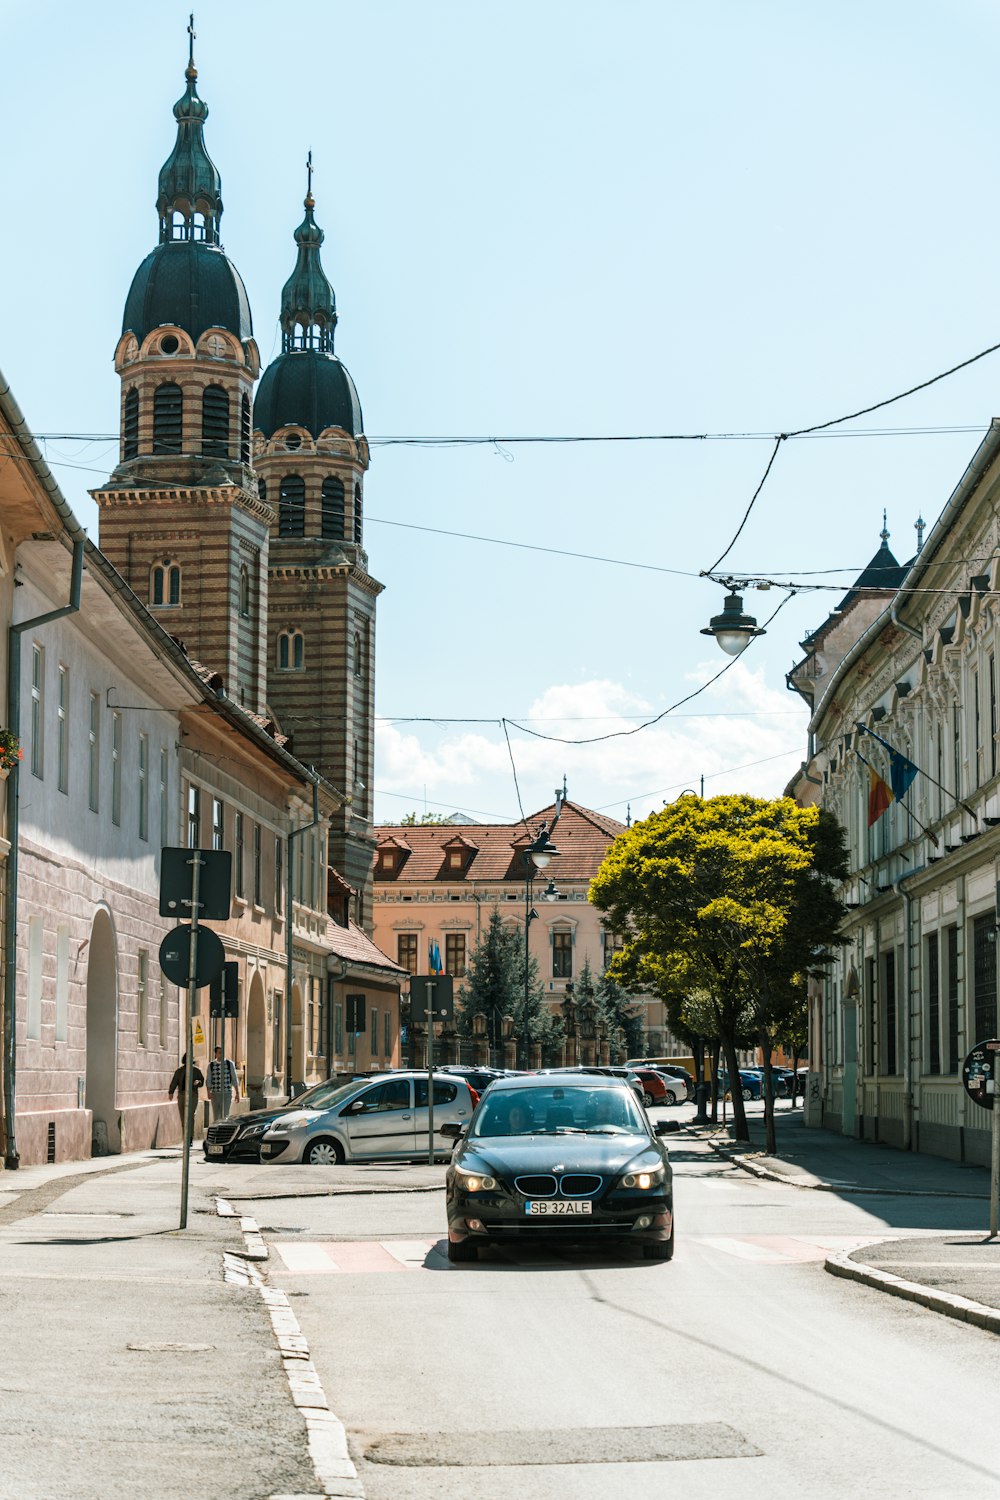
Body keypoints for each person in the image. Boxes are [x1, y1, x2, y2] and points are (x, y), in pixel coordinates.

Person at [168, 1054, 204, 1138]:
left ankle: (190, 1137)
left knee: (190, 1116)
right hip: (182, 1095)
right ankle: (185, 1138)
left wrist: (198, 1082)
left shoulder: (196, 1070)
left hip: (193, 1095)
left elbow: (202, 1081)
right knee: (183, 1118)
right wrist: (171, 1092)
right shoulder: (179, 1071)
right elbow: (174, 1082)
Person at [206, 1046, 240, 1121]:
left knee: (225, 1115)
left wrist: (237, 1093)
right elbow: (208, 1079)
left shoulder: (229, 1064)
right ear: (216, 1054)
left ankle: (223, 1131)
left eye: (223, 1052)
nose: (221, 1054)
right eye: (219, 1053)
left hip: (226, 1093)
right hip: (215, 1094)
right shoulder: (211, 1065)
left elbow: (234, 1078)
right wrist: (208, 1092)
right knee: (216, 1116)